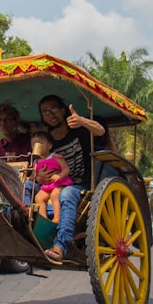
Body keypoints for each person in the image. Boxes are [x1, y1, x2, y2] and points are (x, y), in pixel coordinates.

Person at [37, 94, 106, 262]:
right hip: (52, 186)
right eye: (45, 112)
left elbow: (100, 130)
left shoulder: (79, 129)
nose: (50, 115)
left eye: (54, 109)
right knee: (25, 188)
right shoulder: (47, 140)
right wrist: (39, 177)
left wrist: (82, 121)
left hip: (80, 185)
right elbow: (39, 165)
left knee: (66, 193)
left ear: (62, 110)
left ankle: (60, 245)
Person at [32, 153, 71, 223]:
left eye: (41, 143)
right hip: (47, 186)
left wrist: (60, 175)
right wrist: (35, 177)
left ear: (49, 145)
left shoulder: (56, 157)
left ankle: (57, 218)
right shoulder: (36, 161)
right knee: (38, 197)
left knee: (55, 194)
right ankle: (43, 219)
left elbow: (66, 168)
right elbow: (33, 175)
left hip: (59, 183)